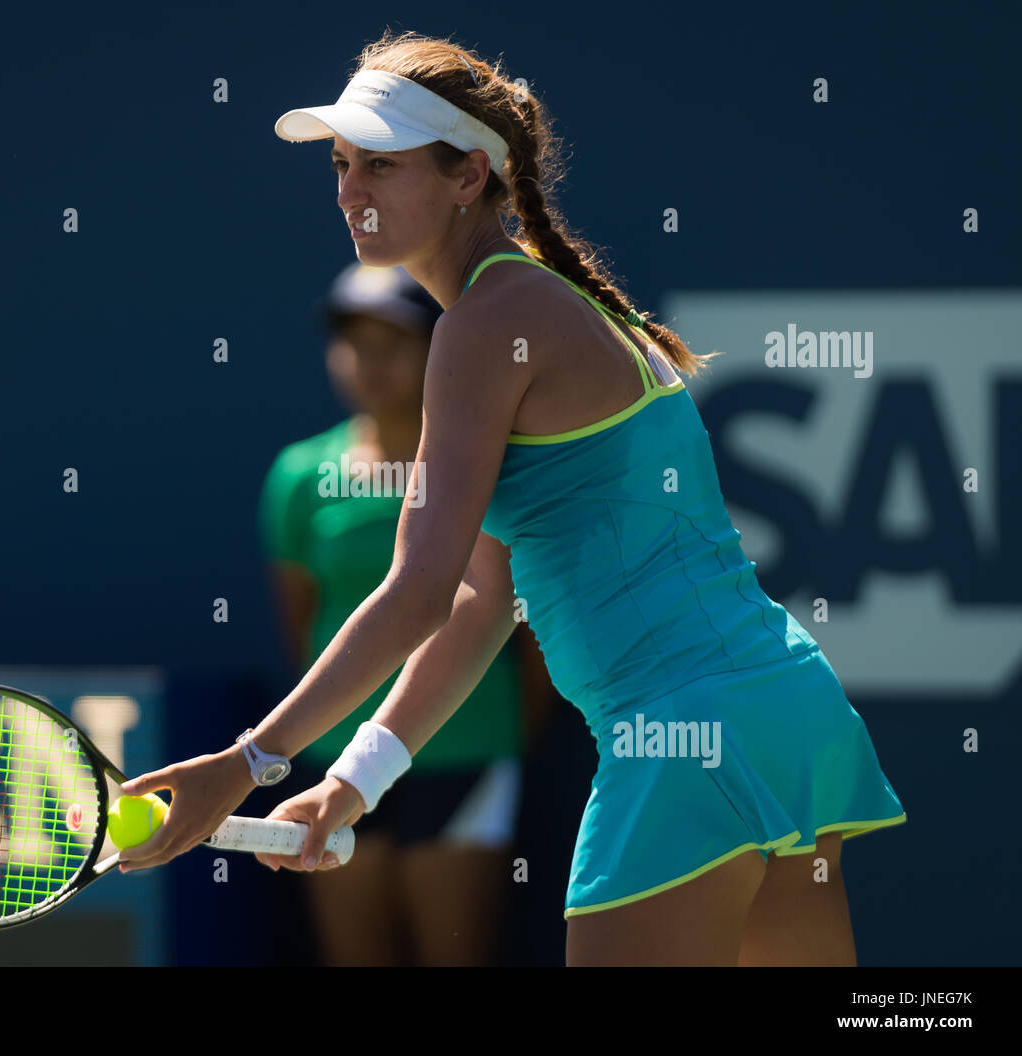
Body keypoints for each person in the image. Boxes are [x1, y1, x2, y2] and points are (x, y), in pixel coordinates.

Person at [117, 30, 907, 967]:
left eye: (381, 163)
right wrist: (357, 782)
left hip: (681, 740)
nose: (350, 190)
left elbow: (416, 591)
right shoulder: (551, 306)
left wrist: (248, 762)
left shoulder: (488, 324)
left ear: (468, 178)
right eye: (340, 163)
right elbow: (482, 599)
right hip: (784, 712)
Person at [258, 261, 552, 965]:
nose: (370, 361)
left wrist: (508, 733)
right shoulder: (299, 476)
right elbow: (302, 623)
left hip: (466, 754)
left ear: (438, 348)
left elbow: (526, 625)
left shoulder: (486, 464)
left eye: (393, 341)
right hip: (334, 758)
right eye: (354, 342)